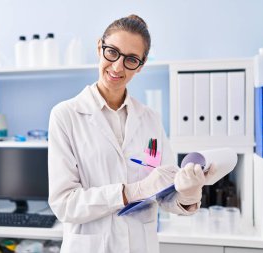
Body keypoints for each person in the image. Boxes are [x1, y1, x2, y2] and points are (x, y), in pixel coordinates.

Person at [48, 14, 213, 253]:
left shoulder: (150, 119)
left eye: (131, 59)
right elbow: (64, 204)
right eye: (112, 52)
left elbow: (165, 194)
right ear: (99, 48)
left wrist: (189, 192)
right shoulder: (66, 115)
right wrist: (132, 191)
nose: (117, 67)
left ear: (141, 65)